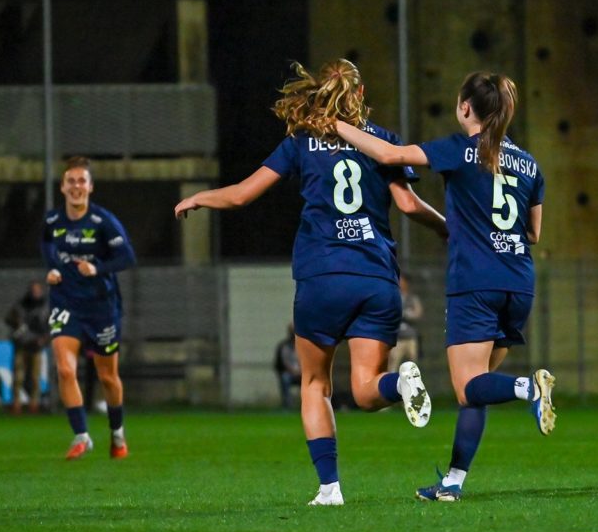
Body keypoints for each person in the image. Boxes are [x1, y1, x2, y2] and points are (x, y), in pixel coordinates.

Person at [175, 59, 448, 505]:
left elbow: (243, 195)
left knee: (315, 383)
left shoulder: (301, 142)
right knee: (365, 390)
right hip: (377, 277)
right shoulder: (383, 141)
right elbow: (409, 205)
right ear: (360, 94)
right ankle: (400, 385)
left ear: (320, 93)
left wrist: (200, 197)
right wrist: (447, 228)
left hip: (323, 277)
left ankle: (330, 488)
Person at [333, 71, 556, 503]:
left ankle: (529, 388)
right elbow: (533, 233)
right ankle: (453, 482)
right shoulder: (530, 164)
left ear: (465, 107)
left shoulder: (459, 150)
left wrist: (336, 125)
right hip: (519, 282)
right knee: (477, 388)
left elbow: (390, 154)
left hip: (476, 281)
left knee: (468, 387)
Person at [43, 156, 137, 459]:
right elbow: (47, 246)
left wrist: (97, 268)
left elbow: (127, 257)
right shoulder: (52, 221)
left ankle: (117, 433)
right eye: (70, 181)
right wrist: (53, 269)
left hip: (101, 306)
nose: (76, 186)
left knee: (108, 377)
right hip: (65, 301)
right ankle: (81, 436)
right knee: (64, 369)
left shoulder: (103, 221)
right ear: (62, 187)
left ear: (90, 187)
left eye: (81, 181)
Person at [5, 281, 49, 414]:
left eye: (38, 290)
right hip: (21, 345)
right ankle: (16, 403)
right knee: (18, 376)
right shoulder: (20, 305)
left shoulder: (45, 307)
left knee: (35, 377)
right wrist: (17, 324)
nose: (36, 293)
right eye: (34, 290)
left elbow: (51, 325)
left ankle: (34, 403)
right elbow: (8, 319)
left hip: (36, 346)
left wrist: (44, 339)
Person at [387, 275, 423, 373]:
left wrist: (408, 314)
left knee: (413, 365)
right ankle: (393, 382)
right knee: (393, 365)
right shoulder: (393, 298)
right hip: (397, 339)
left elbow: (418, 313)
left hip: (411, 337)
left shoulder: (412, 298)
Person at [273, 323, 301, 409]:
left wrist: (301, 371)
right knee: (285, 378)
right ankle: (288, 405)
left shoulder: (302, 345)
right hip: (289, 373)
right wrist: (292, 371)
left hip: (301, 373)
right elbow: (282, 362)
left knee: (309, 380)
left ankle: (305, 404)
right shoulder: (284, 346)